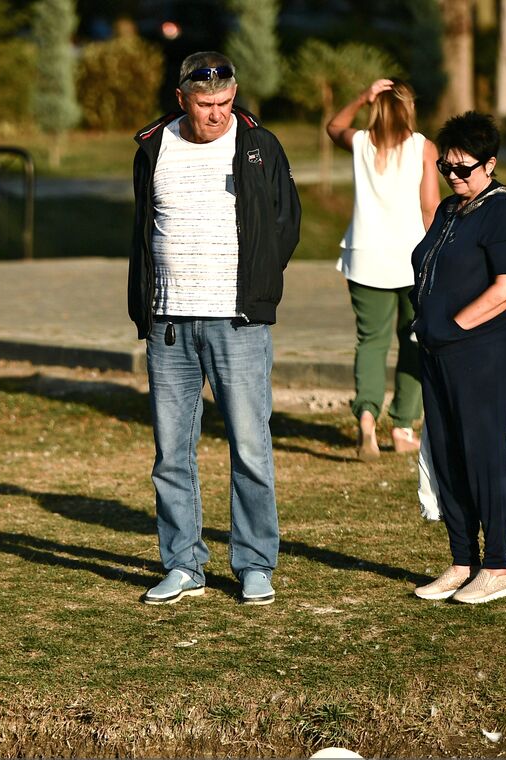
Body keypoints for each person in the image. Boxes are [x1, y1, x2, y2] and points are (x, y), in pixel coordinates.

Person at [128, 52, 301, 606]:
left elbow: (285, 223)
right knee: (170, 453)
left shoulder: (258, 145)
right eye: (205, 105)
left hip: (238, 321)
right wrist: (148, 307)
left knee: (250, 446)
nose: (218, 114)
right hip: (170, 324)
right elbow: (141, 228)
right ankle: (183, 564)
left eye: (225, 103)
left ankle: (254, 564)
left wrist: (257, 284)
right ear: (182, 98)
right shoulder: (153, 146)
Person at [409, 111, 506, 605]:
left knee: (484, 456)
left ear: (490, 163)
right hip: (437, 353)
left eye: (464, 168)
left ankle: (498, 567)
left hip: (479, 354)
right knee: (446, 453)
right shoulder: (451, 210)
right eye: (446, 167)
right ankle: (463, 561)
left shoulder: (503, 209)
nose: (454, 176)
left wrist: (453, 325)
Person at [327, 78, 440, 460]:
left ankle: (366, 419)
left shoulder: (361, 143)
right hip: (411, 261)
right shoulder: (423, 147)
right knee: (414, 341)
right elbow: (430, 208)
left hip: (365, 258)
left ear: (377, 108)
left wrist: (361, 96)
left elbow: (333, 127)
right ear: (409, 109)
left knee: (371, 342)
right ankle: (404, 426)